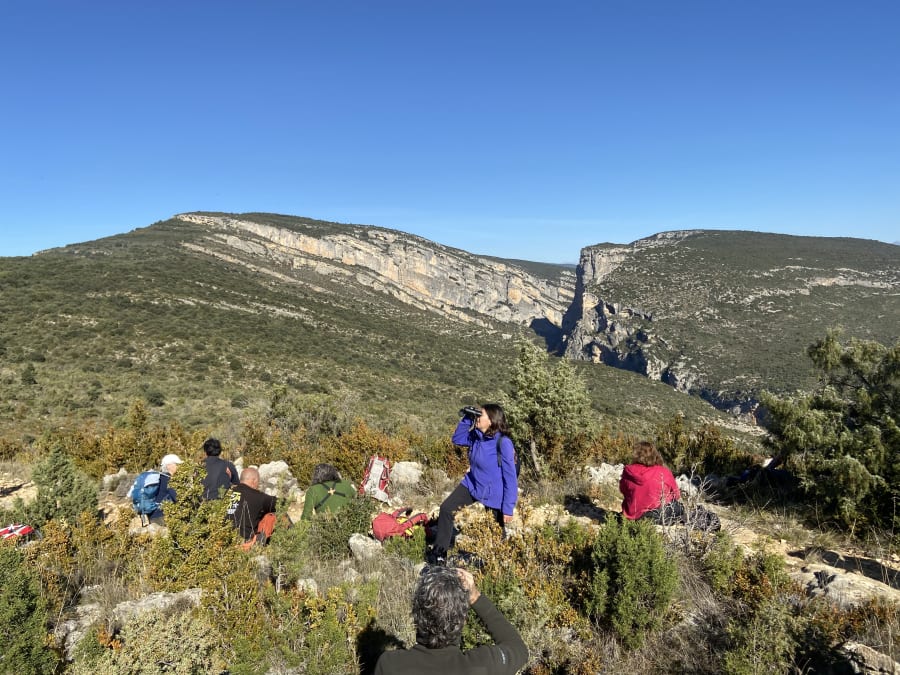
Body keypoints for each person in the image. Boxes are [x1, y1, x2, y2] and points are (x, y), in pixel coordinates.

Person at [374, 566, 528, 674]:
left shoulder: (389, 665)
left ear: (416, 614)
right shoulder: (484, 664)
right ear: (463, 620)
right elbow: (518, 648)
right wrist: (475, 597)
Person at [430, 403, 518, 564]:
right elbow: (457, 438)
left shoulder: (503, 443)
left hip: (493, 493)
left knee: (495, 531)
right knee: (446, 509)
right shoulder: (476, 436)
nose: (477, 418)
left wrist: (508, 508)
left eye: (480, 415)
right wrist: (467, 418)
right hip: (473, 484)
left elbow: (510, 478)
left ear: (491, 420)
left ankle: (499, 564)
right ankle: (439, 554)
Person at [619, 440, 684, 524]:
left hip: (634, 515)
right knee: (679, 507)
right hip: (658, 514)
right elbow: (676, 494)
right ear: (654, 455)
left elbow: (623, 490)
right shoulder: (663, 472)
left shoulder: (628, 471)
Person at [226, 466, 278, 548]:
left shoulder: (227, 493)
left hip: (222, 539)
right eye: (258, 482)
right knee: (270, 516)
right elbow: (280, 504)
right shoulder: (258, 497)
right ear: (254, 481)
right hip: (244, 543)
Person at [129, 453, 183, 524]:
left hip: (153, 515)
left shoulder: (160, 478)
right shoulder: (168, 479)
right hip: (162, 516)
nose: (179, 467)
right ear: (169, 466)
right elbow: (177, 498)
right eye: (176, 464)